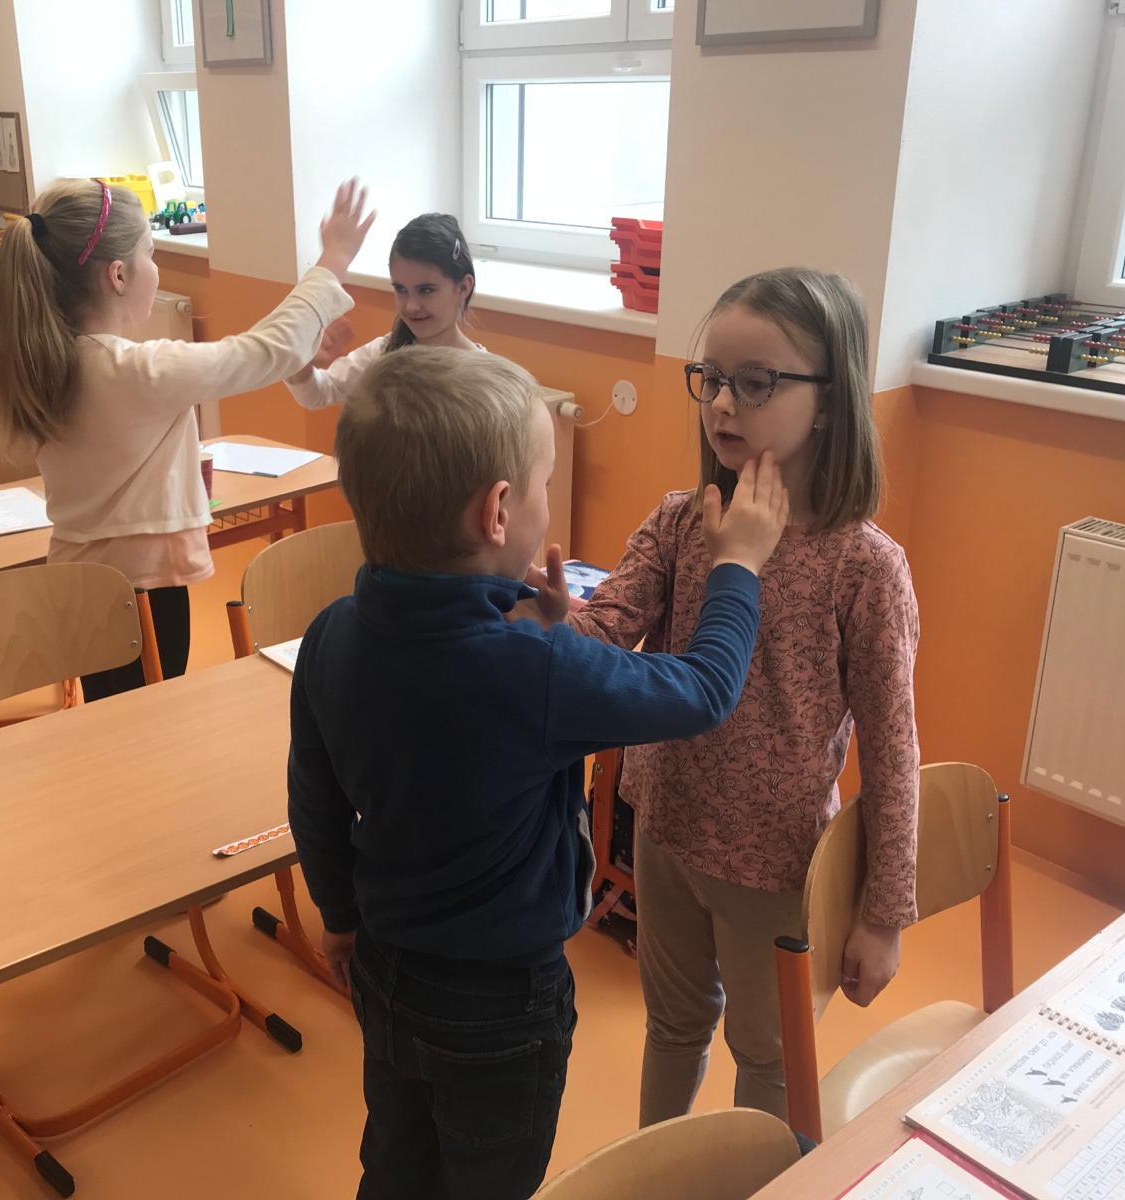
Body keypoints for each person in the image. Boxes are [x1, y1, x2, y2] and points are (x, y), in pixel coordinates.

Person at [287, 345, 789, 1200]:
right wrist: (737, 564)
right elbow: (704, 690)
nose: (548, 502)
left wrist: (336, 917)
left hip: (384, 964)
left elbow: (315, 797)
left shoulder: (332, 631)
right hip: (500, 1005)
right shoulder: (535, 673)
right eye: (545, 484)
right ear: (498, 512)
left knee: (397, 1162)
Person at [553, 267, 921, 1126]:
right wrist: (545, 619)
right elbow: (605, 630)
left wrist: (884, 912)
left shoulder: (864, 567)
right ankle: (658, 1174)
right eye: (712, 378)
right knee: (674, 1025)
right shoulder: (682, 520)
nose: (722, 403)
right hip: (667, 828)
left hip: (774, 861)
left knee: (768, 1057)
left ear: (828, 400)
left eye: (755, 383)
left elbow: (893, 749)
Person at [0, 178, 374, 699]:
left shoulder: (60, 359)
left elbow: (269, 351)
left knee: (115, 716)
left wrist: (300, 347)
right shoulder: (132, 371)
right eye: (150, 253)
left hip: (83, 582)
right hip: (142, 589)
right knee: (147, 721)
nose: (156, 268)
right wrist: (335, 258)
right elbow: (263, 350)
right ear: (118, 275)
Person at [285, 212, 481, 411]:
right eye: (401, 289)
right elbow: (318, 393)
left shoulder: (484, 375)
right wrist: (303, 357)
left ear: (463, 288)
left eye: (426, 290)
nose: (411, 306)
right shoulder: (383, 351)